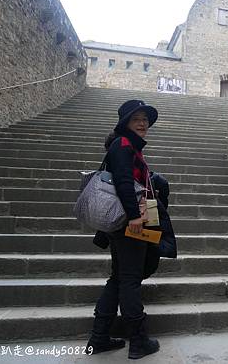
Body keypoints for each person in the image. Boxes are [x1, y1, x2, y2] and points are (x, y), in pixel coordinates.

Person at [86, 99, 166, 360]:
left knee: (119, 278)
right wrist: (134, 216)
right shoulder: (122, 145)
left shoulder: (130, 146)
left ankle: (98, 338)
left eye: (145, 119)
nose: (143, 123)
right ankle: (138, 341)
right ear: (125, 123)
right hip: (128, 223)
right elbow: (121, 181)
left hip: (127, 222)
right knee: (130, 280)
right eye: (136, 119)